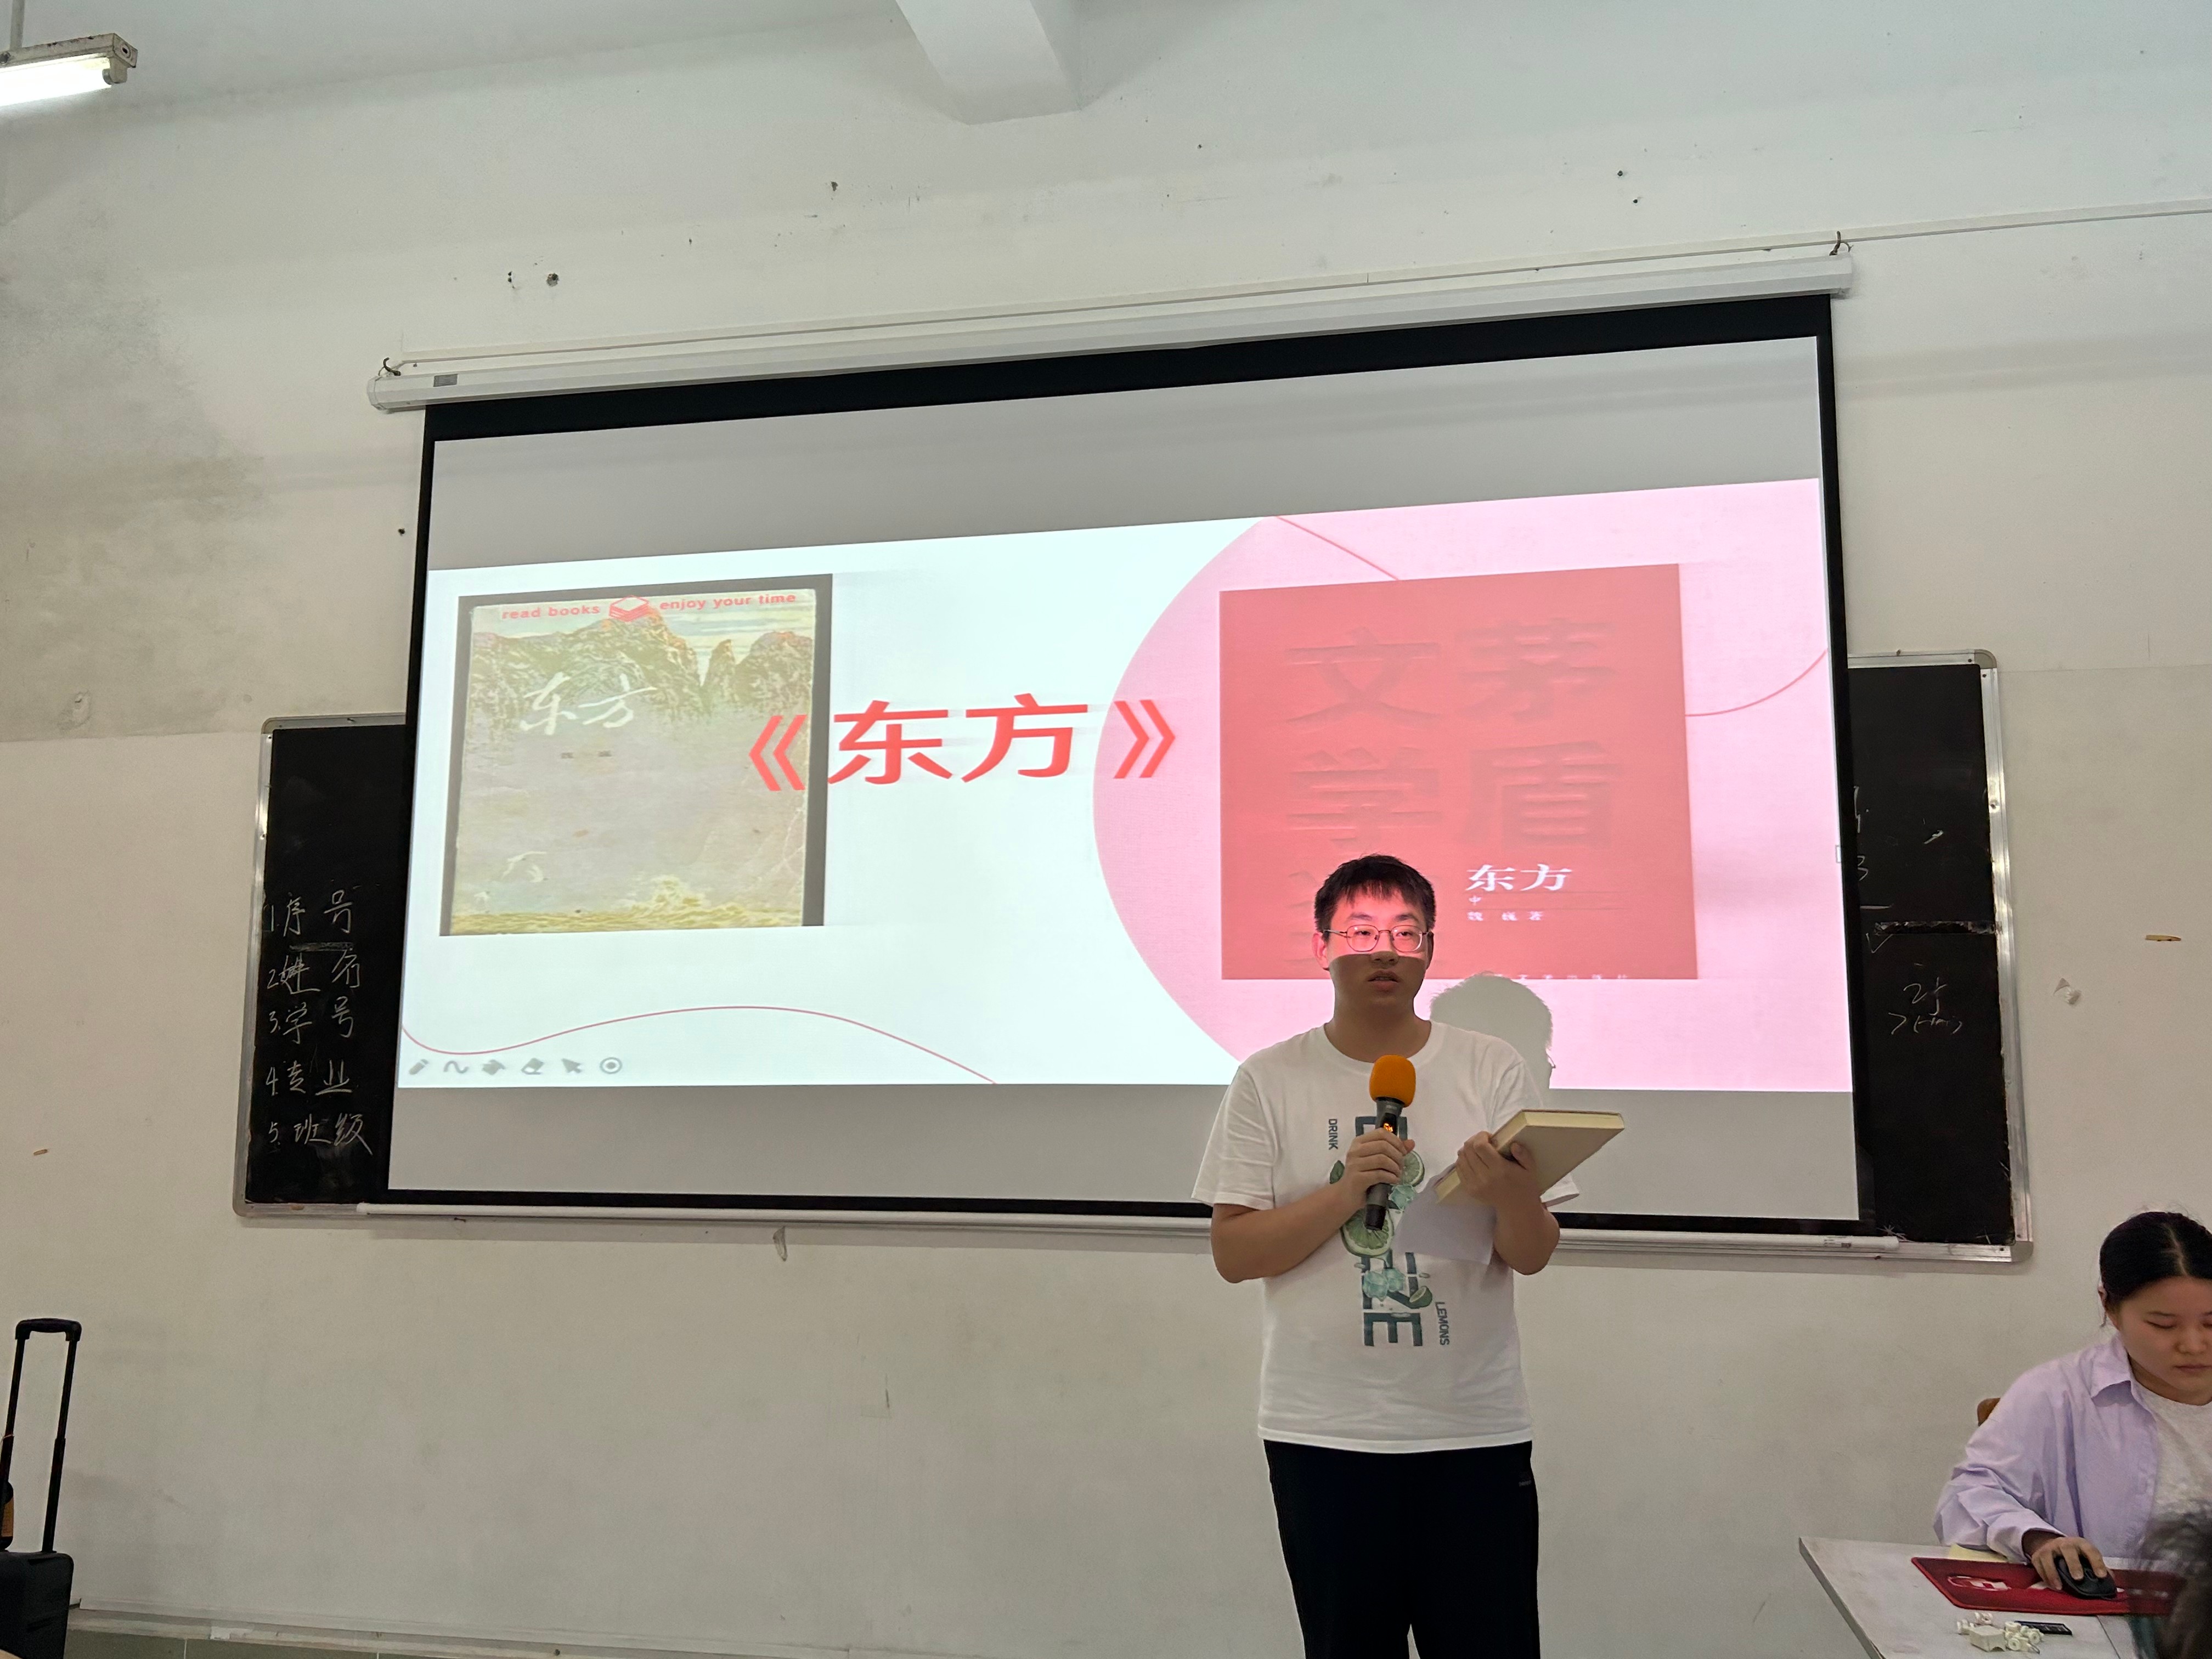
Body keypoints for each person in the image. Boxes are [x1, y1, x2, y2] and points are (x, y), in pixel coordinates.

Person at [1194, 853, 1576, 1659]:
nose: (1386, 950)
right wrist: (1345, 1193)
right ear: (1322, 947)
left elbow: (1533, 1252)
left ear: (1431, 949)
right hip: (1324, 1430)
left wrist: (1510, 1194)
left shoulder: (1489, 1067)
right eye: (1361, 932)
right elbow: (1234, 1251)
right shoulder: (1269, 1079)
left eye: (1407, 933)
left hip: (1471, 1427)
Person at [1937, 1211, 2212, 1589]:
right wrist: (2037, 1539)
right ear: (2110, 1308)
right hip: (2110, 1612)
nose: (2194, 1345)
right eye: (2163, 1325)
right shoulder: (2058, 1395)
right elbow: (1969, 1496)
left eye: (2211, 1322)